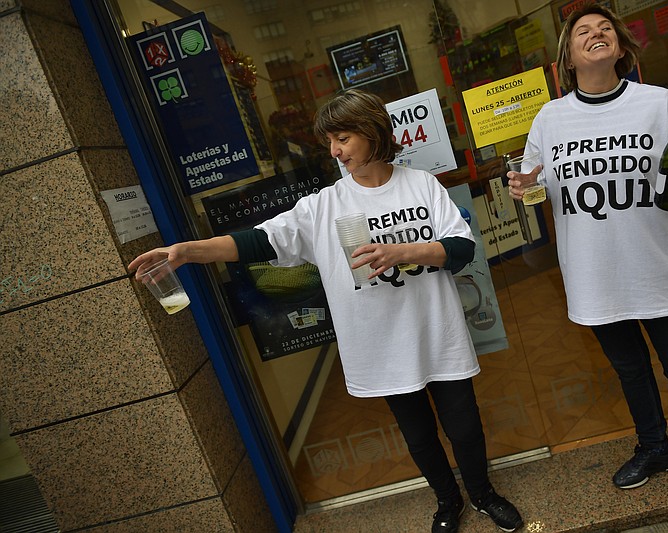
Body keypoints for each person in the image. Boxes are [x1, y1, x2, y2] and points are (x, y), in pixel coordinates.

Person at [129, 89, 524, 533]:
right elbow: (258, 240)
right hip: (383, 343)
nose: (335, 151)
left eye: (343, 138)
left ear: (373, 133)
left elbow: (461, 248)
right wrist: (187, 250)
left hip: (438, 331)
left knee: (465, 427)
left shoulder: (420, 183)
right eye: (330, 142)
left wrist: (404, 251)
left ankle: (483, 494)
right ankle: (447, 503)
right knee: (418, 435)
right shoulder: (324, 205)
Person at [508, 3, 668, 514]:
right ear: (569, 56)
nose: (596, 34)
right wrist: (523, 186)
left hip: (656, 264)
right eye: (583, 31)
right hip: (594, 272)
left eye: (606, 28)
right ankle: (656, 448)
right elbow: (531, 178)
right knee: (630, 371)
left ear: (620, 48)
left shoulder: (658, 102)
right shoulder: (550, 118)